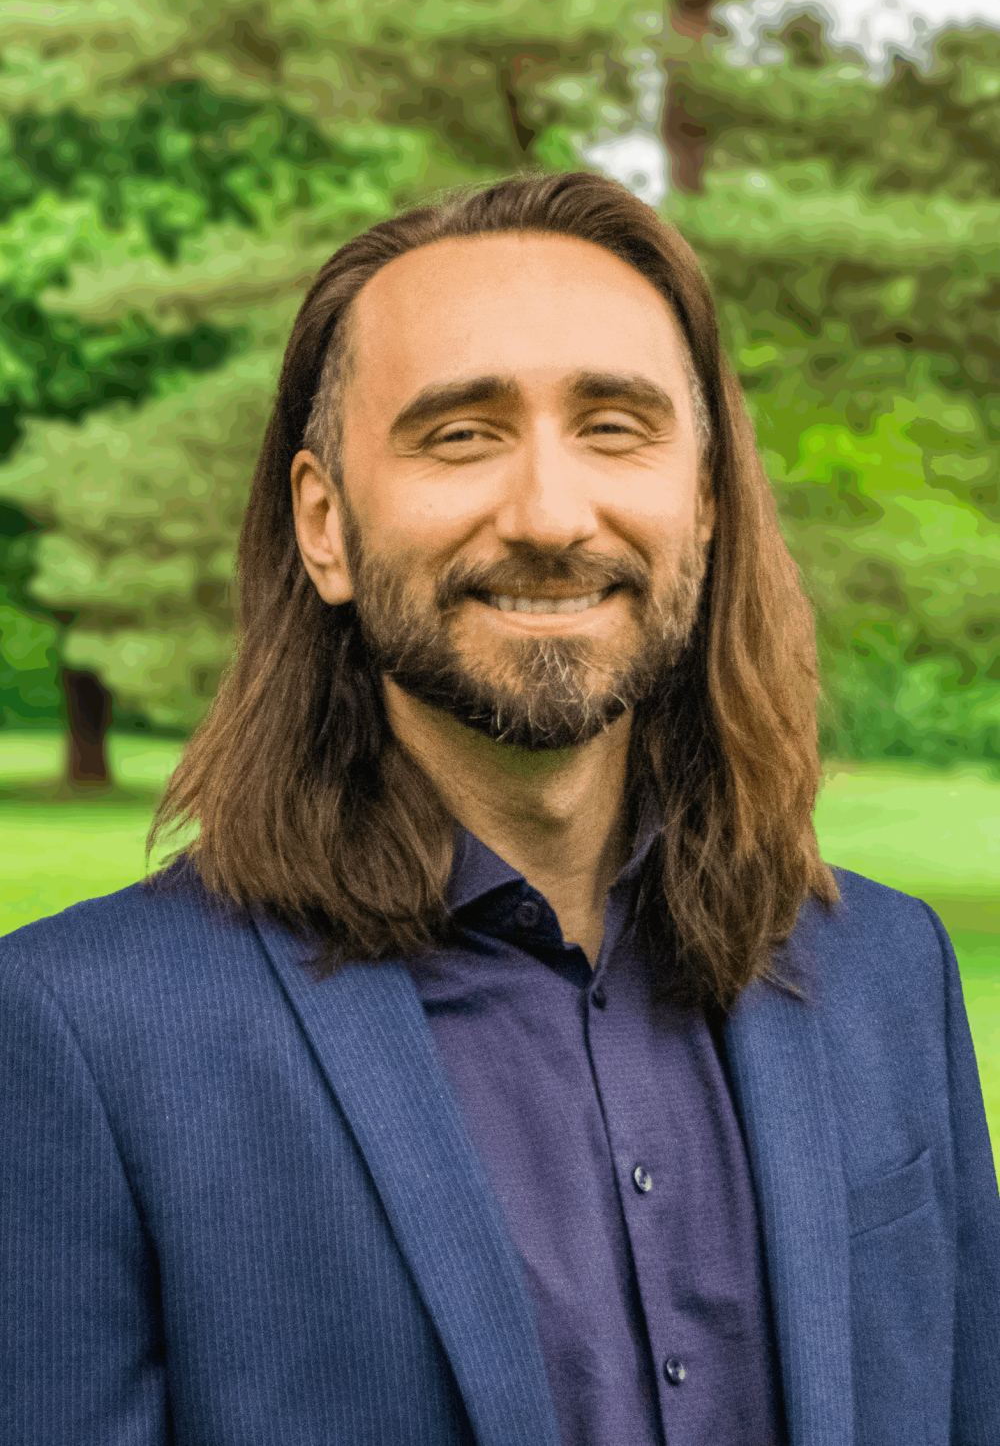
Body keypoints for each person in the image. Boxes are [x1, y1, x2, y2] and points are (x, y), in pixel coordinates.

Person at [2, 171, 998, 1446]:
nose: (548, 516)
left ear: (700, 502)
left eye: (616, 427)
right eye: (460, 433)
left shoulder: (887, 975)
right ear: (325, 524)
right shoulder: (75, 1038)